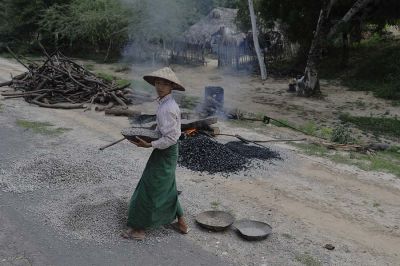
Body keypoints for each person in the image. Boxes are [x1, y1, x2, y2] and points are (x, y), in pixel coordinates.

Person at [121, 67, 189, 240]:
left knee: (149, 187)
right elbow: (166, 129)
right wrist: (155, 130)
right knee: (167, 186)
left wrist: (150, 144)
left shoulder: (168, 107)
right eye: (158, 82)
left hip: (166, 151)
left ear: (171, 86)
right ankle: (182, 223)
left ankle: (140, 228)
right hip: (166, 151)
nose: (160, 86)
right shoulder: (165, 103)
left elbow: (172, 137)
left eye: (165, 83)